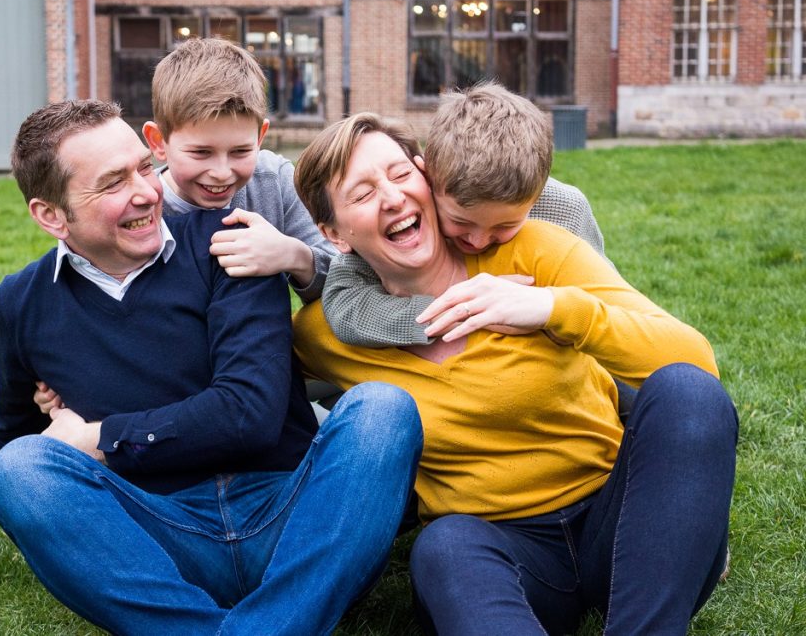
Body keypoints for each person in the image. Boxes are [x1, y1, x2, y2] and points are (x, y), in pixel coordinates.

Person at [0, 100, 423, 635]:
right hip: (164, 538)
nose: (145, 193)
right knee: (18, 467)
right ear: (51, 214)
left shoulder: (230, 244)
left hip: (295, 521)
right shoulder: (20, 304)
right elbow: (8, 427)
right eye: (112, 183)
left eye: (144, 169)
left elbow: (247, 415)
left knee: (382, 409)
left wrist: (100, 438)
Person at [291, 111, 738, 635]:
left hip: (626, 528)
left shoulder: (536, 249)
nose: (391, 198)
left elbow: (695, 361)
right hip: (501, 551)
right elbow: (253, 395)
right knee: (443, 546)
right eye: (362, 194)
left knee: (688, 392)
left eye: (398, 174)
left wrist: (554, 310)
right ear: (333, 234)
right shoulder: (327, 331)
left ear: (428, 177)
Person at [322, 83, 608, 348]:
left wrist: (546, 309)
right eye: (460, 221)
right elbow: (344, 304)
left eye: (506, 225)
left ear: (534, 197)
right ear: (427, 175)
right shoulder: (419, 205)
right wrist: (464, 309)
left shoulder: (564, 208)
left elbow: (606, 302)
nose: (479, 240)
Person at [141, 37, 336, 302]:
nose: (222, 172)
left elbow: (345, 281)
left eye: (240, 152)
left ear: (260, 137)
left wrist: (294, 256)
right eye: (201, 152)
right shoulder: (140, 205)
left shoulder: (273, 182)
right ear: (158, 141)